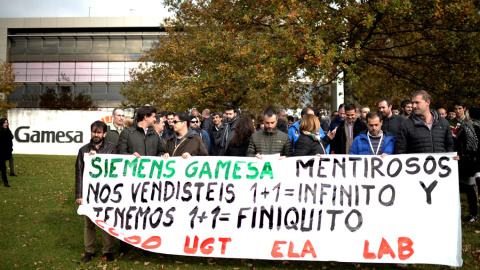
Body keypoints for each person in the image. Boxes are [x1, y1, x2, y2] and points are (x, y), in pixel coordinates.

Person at [75, 121, 118, 263]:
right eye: (94, 132)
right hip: (89, 193)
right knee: (89, 223)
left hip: (106, 193)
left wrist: (98, 158)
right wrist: (79, 195)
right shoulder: (83, 150)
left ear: (104, 134)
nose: (96, 135)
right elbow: (79, 173)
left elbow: (116, 170)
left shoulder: (112, 149)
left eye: (99, 132)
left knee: (106, 221)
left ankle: (107, 250)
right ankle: (89, 251)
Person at [455, 107, 480, 222]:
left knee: (470, 188)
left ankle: (474, 214)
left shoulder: (466, 127)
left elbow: (458, 142)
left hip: (471, 161)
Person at [0, 118, 13, 187]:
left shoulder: (7, 130)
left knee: (2, 168)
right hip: (1, 153)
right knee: (3, 168)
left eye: (7, 123)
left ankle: (6, 182)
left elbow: (11, 137)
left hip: (4, 152)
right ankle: (6, 182)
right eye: (5, 123)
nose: (6, 124)